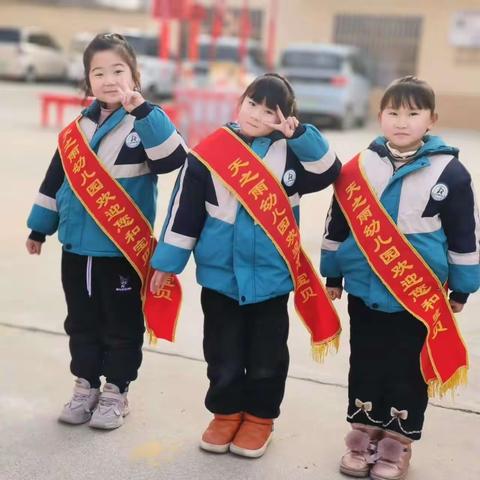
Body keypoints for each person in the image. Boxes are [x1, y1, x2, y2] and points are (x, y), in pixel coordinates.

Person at [150, 73, 342, 458]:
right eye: (252, 104)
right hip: (220, 278)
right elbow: (183, 213)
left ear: (284, 117)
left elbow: (329, 171)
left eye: (271, 111)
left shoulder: (292, 153)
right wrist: (167, 263)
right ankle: (225, 414)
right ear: (240, 103)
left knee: (267, 356)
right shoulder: (210, 151)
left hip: (271, 280)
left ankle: (259, 419)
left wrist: (299, 134)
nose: (257, 115)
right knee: (222, 353)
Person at [321, 76, 479, 479]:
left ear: (432, 119)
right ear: (379, 116)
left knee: (408, 369)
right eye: (393, 112)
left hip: (415, 296)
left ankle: (397, 445)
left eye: (413, 113)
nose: (402, 121)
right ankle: (362, 436)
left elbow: (463, 234)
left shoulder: (451, 172)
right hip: (364, 290)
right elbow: (338, 222)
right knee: (366, 362)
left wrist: (462, 285)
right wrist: (333, 273)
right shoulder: (360, 165)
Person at [26, 33, 187, 430]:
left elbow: (173, 160)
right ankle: (85, 386)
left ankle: (116, 391)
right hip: (76, 249)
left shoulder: (147, 121)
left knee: (121, 326)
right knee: (80, 321)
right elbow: (54, 181)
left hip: (121, 251)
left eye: (118, 70)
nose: (108, 79)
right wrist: (39, 227)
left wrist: (144, 112)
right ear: (87, 80)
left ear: (135, 75)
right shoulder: (75, 130)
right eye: (98, 72)